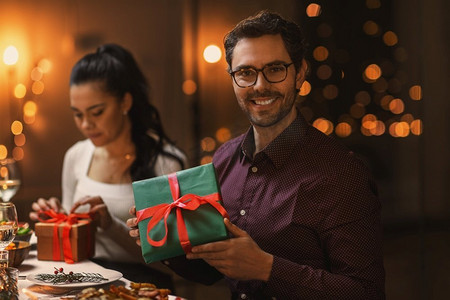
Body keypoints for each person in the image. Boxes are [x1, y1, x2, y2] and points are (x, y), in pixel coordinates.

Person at [128, 10, 385, 299]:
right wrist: (163, 239)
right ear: (233, 79)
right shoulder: (224, 160)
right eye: (246, 73)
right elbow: (215, 269)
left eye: (275, 69)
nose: (260, 85)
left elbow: (366, 292)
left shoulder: (342, 173)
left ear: (300, 73)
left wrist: (267, 268)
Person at [29, 43, 186, 290]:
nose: (86, 125)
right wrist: (56, 221)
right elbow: (72, 249)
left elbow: (174, 265)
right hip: (86, 282)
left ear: (125, 102)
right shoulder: (76, 156)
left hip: (145, 287)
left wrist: (111, 225)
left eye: (97, 112)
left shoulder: (165, 162)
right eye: (78, 114)